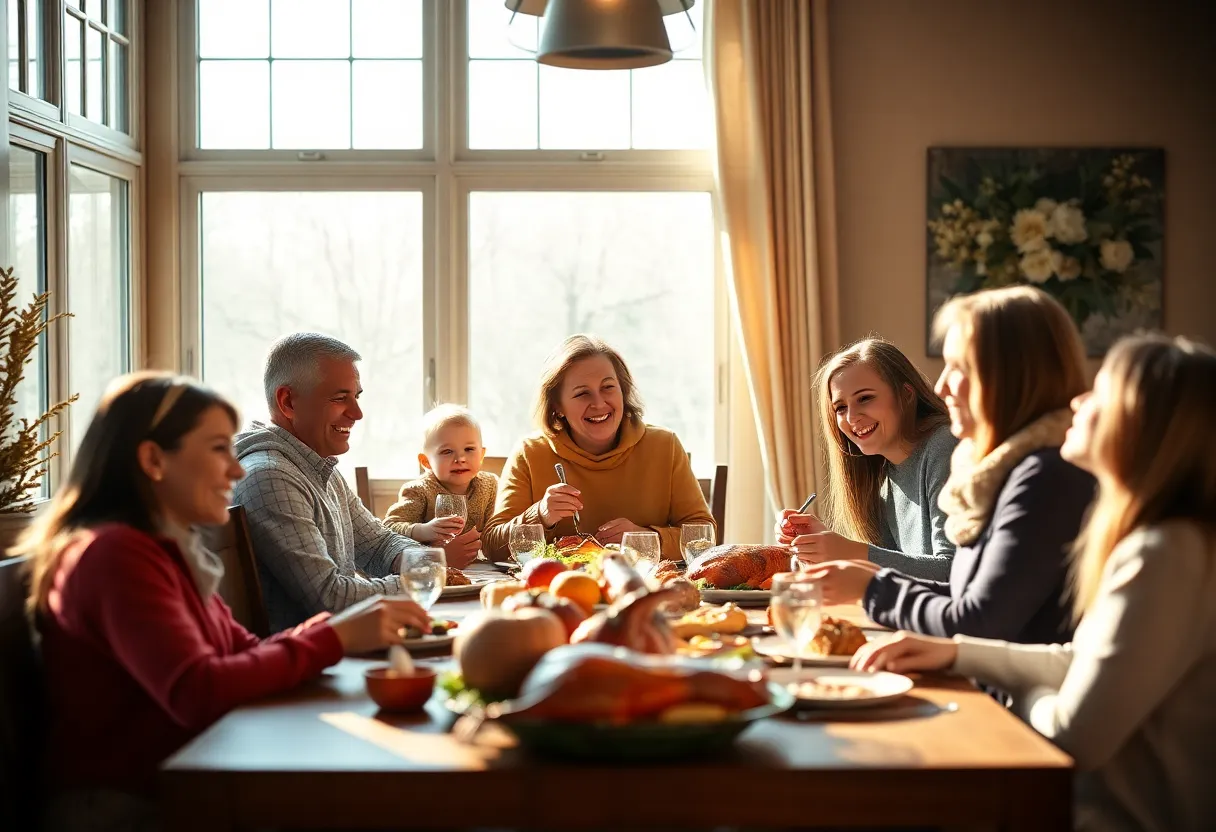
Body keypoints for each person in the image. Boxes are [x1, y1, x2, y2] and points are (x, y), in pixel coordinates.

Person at [23, 372, 428, 832]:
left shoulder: (168, 551)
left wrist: (340, 631)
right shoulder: (114, 555)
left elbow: (243, 650)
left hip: (191, 775)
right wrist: (334, 636)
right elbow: (198, 690)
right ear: (154, 459)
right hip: (127, 805)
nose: (237, 470)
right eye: (219, 449)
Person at [853, 334, 1216, 832]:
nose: (1078, 400)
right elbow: (1080, 662)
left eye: (1100, 392)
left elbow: (1075, 736)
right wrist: (958, 656)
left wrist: (1004, 697)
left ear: (1144, 424)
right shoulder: (1152, 540)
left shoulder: (1165, 553)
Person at [808, 287, 1094, 646]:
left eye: (958, 367)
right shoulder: (995, 471)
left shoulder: (1045, 476)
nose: (941, 385)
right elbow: (961, 593)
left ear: (1010, 375)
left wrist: (870, 584)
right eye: (840, 408)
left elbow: (978, 620)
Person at [233, 333, 436, 633]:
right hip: (310, 669)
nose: (357, 413)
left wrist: (422, 560)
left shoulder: (316, 464)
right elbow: (330, 598)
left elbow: (379, 544)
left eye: (357, 396)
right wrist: (421, 579)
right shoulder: (270, 477)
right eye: (340, 398)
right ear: (287, 401)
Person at [483, 334, 714, 561]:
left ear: (623, 391)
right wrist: (541, 515)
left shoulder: (665, 446)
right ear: (557, 406)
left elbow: (705, 536)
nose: (599, 403)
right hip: (556, 591)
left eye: (608, 387)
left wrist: (645, 540)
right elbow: (493, 545)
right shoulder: (529, 453)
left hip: (647, 588)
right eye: (582, 393)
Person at [778, 337, 958, 581]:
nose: (852, 418)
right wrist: (821, 544)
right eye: (840, 408)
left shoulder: (945, 446)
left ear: (906, 394)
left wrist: (851, 552)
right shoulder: (885, 472)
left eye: (865, 398)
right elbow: (893, 572)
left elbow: (954, 572)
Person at [382, 404, 497, 564]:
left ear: (482, 454)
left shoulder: (491, 485)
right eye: (447, 451)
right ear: (426, 461)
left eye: (469, 449)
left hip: (482, 570)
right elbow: (389, 527)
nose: (460, 458)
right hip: (433, 569)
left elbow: (497, 529)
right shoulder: (419, 490)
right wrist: (424, 531)